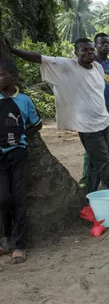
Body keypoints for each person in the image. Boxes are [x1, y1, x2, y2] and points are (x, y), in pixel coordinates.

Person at [5, 36, 109, 209]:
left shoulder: (98, 67)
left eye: (91, 50)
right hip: (88, 127)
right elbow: (38, 58)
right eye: (84, 50)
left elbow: (99, 97)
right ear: (76, 53)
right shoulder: (68, 66)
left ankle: (88, 195)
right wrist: (14, 50)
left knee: (94, 164)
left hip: (104, 122)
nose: (89, 53)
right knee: (105, 162)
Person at [0, 58, 42, 264]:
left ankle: (19, 245)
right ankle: (6, 236)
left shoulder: (24, 100)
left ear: (13, 77)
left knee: (19, 199)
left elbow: (37, 123)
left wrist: (21, 134)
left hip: (18, 154)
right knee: (3, 198)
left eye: (1, 75)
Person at [79, 33, 109, 188]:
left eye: (108, 43)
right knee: (92, 152)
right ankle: (86, 181)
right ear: (95, 45)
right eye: (102, 43)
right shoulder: (89, 63)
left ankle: (107, 180)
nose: (106, 46)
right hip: (93, 114)